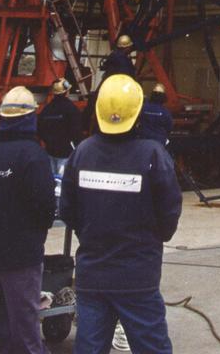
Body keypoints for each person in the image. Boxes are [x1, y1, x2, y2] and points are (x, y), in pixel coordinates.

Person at [59, 74, 182, 354]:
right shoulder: (153, 155)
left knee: (89, 348)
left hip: (93, 275)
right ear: (137, 112)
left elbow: (67, 210)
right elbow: (169, 214)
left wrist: (91, 235)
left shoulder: (82, 153)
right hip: (137, 276)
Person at [0, 85, 56, 354]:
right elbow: (46, 209)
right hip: (22, 255)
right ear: (31, 117)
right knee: (24, 323)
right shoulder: (34, 156)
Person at [37, 78, 84, 179]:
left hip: (50, 152)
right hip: (66, 153)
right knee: (63, 183)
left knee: (51, 180)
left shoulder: (47, 109)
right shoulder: (72, 109)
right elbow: (77, 133)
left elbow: (40, 129)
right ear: (67, 92)